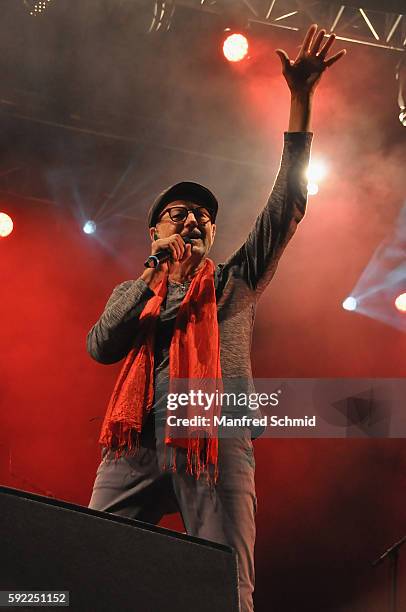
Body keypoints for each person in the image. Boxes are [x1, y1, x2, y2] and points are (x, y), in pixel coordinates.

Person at [87, 25, 346, 612]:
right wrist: (153, 277)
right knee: (87, 560)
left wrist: (300, 99)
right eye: (178, 214)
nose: (193, 221)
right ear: (154, 231)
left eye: (203, 216)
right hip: (137, 440)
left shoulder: (233, 282)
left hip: (216, 434)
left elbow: (286, 207)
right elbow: (101, 346)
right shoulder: (135, 290)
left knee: (224, 587)